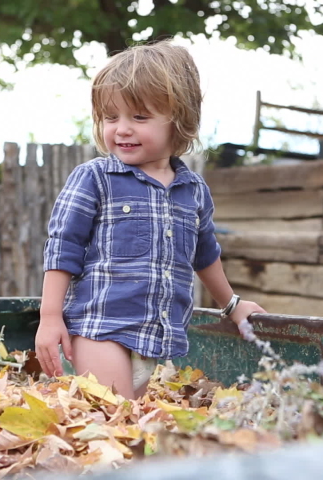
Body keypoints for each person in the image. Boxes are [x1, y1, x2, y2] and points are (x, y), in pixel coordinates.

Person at [35, 40, 265, 400]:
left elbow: (205, 255)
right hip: (100, 328)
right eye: (112, 118)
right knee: (117, 421)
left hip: (154, 336)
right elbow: (63, 247)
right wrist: (50, 318)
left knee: (131, 431)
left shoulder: (192, 189)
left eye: (139, 117)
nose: (122, 129)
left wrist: (233, 306)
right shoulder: (95, 179)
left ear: (179, 120)